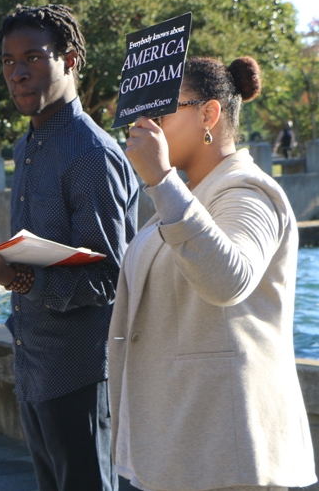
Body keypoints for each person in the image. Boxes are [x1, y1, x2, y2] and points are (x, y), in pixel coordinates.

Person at [0, 4, 138, 491]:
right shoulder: (25, 146)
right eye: (9, 61)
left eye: (32, 57)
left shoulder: (92, 154)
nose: (17, 72)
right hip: (33, 361)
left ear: (70, 60)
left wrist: (9, 276)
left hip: (80, 370)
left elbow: (107, 278)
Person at [111, 57, 316, 491]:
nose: (147, 124)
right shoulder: (188, 195)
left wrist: (163, 180)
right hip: (182, 447)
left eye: (162, 112)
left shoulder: (247, 189)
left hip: (228, 456)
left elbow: (229, 280)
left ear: (209, 114)